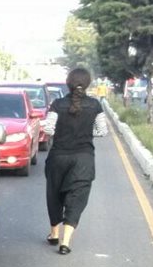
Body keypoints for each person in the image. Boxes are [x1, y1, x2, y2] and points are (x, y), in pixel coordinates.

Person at [44, 66, 107, 254]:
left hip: (58, 157)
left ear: (68, 83)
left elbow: (48, 129)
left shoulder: (57, 104)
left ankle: (54, 234)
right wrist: (88, 133)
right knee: (77, 197)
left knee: (54, 194)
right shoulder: (95, 105)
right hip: (84, 159)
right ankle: (65, 242)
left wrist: (58, 134)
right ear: (87, 84)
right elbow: (103, 131)